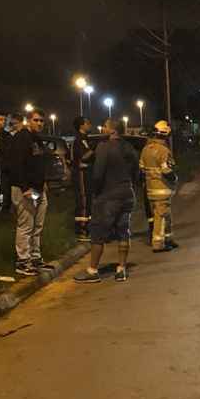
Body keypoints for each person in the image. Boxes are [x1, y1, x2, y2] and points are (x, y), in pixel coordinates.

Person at [74, 118, 139, 283]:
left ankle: (93, 271)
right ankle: (121, 269)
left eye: (104, 126)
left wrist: (96, 193)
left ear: (112, 131)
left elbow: (97, 174)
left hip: (109, 196)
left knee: (98, 233)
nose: (101, 129)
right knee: (123, 232)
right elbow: (136, 173)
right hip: (127, 194)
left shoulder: (104, 147)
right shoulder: (130, 148)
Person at [8, 107, 52, 277]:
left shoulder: (37, 139)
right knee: (26, 225)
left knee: (38, 224)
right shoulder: (22, 138)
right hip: (25, 189)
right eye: (36, 120)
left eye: (41, 120)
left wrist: (44, 183)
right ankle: (22, 261)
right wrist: (25, 188)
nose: (39, 123)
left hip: (39, 189)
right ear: (28, 120)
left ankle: (35, 258)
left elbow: (38, 164)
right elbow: (16, 165)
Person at [139, 120, 179, 252]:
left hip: (150, 189)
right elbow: (166, 170)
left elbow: (142, 168)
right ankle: (158, 244)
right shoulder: (163, 150)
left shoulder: (145, 150)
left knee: (165, 214)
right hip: (162, 188)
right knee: (160, 216)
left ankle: (168, 239)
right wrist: (174, 178)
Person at [71, 116, 94, 242]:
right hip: (81, 174)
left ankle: (88, 228)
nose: (90, 124)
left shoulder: (85, 139)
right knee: (83, 200)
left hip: (87, 173)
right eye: (87, 123)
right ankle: (82, 230)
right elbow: (84, 157)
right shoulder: (79, 140)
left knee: (88, 200)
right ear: (81, 125)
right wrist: (94, 149)